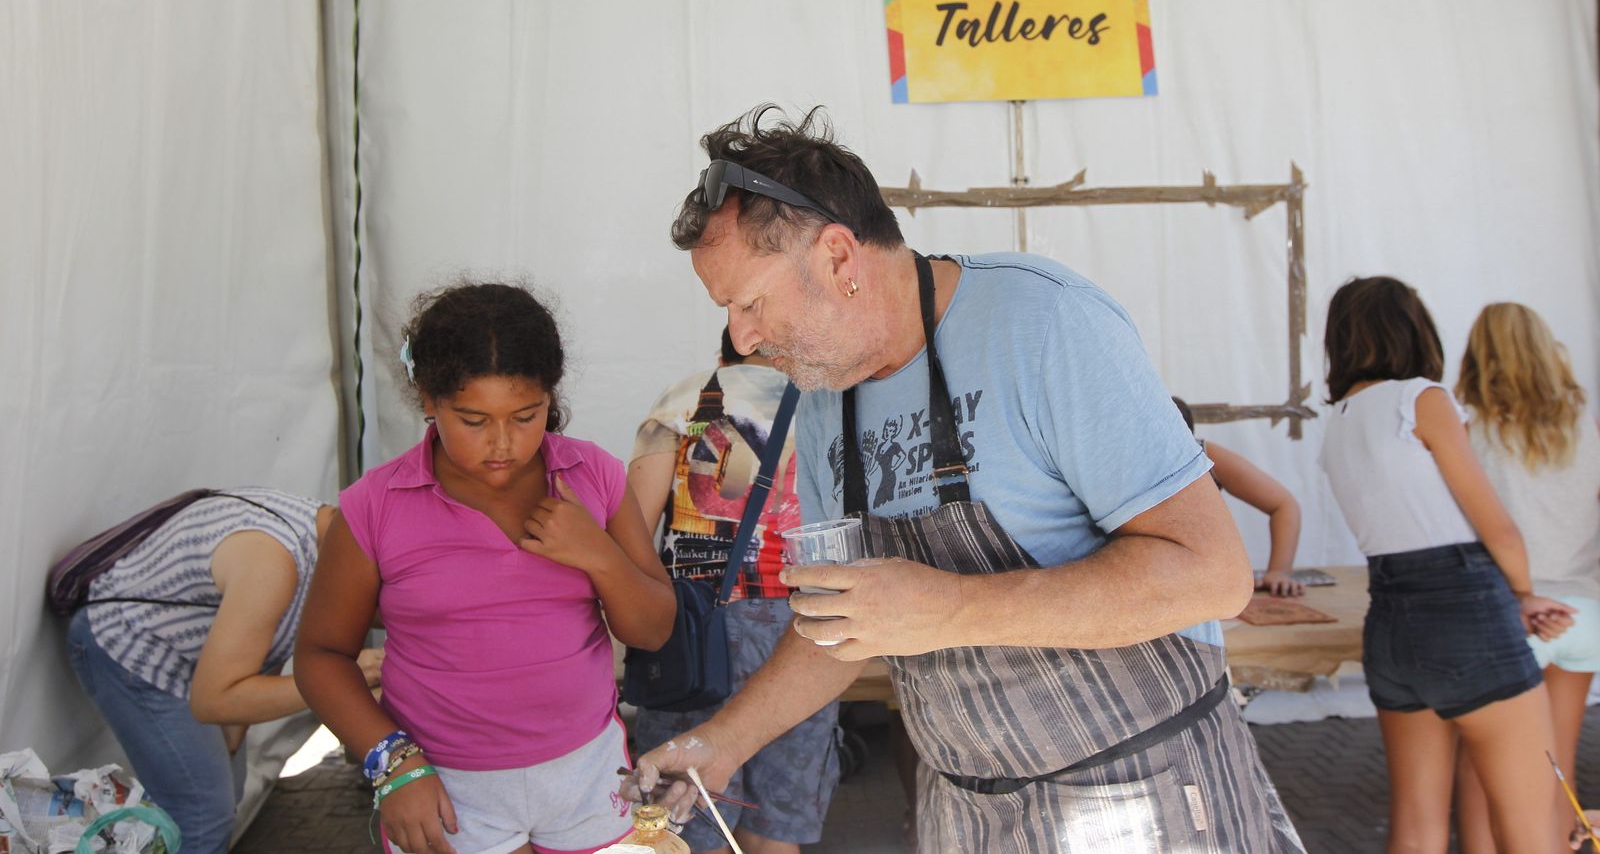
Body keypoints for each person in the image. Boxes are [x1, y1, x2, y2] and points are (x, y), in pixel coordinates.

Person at [625, 105, 1304, 852]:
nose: (742, 337)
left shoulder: (1042, 322)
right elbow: (837, 626)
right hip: (969, 811)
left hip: (1140, 795)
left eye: (749, 302)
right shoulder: (820, 403)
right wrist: (723, 742)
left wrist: (950, 607)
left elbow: (1212, 574)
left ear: (840, 260)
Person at [295, 281, 676, 854]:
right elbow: (321, 655)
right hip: (445, 787)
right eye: (473, 421)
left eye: (527, 416)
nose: (502, 443)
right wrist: (394, 765)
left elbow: (652, 629)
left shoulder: (592, 476)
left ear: (551, 396)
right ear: (428, 398)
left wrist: (597, 554)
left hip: (587, 773)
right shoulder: (374, 506)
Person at [1318, 276, 1574, 854]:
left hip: (1389, 623)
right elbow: (1498, 527)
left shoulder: (1336, 424)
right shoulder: (1421, 399)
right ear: (1413, 329)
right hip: (1466, 614)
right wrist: (1525, 594)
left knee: (1415, 826)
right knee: (1532, 827)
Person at [65, 487, 383, 854]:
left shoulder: (329, 539)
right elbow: (214, 701)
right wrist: (339, 680)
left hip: (192, 660)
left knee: (225, 790)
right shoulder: (274, 560)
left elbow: (265, 648)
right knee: (203, 815)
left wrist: (228, 747)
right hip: (126, 645)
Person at [627, 327, 839, 854]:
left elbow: (630, 531)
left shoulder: (687, 398)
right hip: (807, 634)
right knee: (777, 823)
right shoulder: (832, 404)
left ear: (724, 353)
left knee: (690, 811)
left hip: (696, 631)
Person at [1448, 303, 1600, 854]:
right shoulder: (1584, 425)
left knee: (1482, 767)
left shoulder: (1467, 431)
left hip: (1514, 615)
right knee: (1557, 760)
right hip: (1585, 614)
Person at [1171, 397, 1306, 597]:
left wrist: (1278, 571)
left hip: (1201, 581)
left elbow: (1284, 505)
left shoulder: (1204, 456)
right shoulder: (1123, 461)